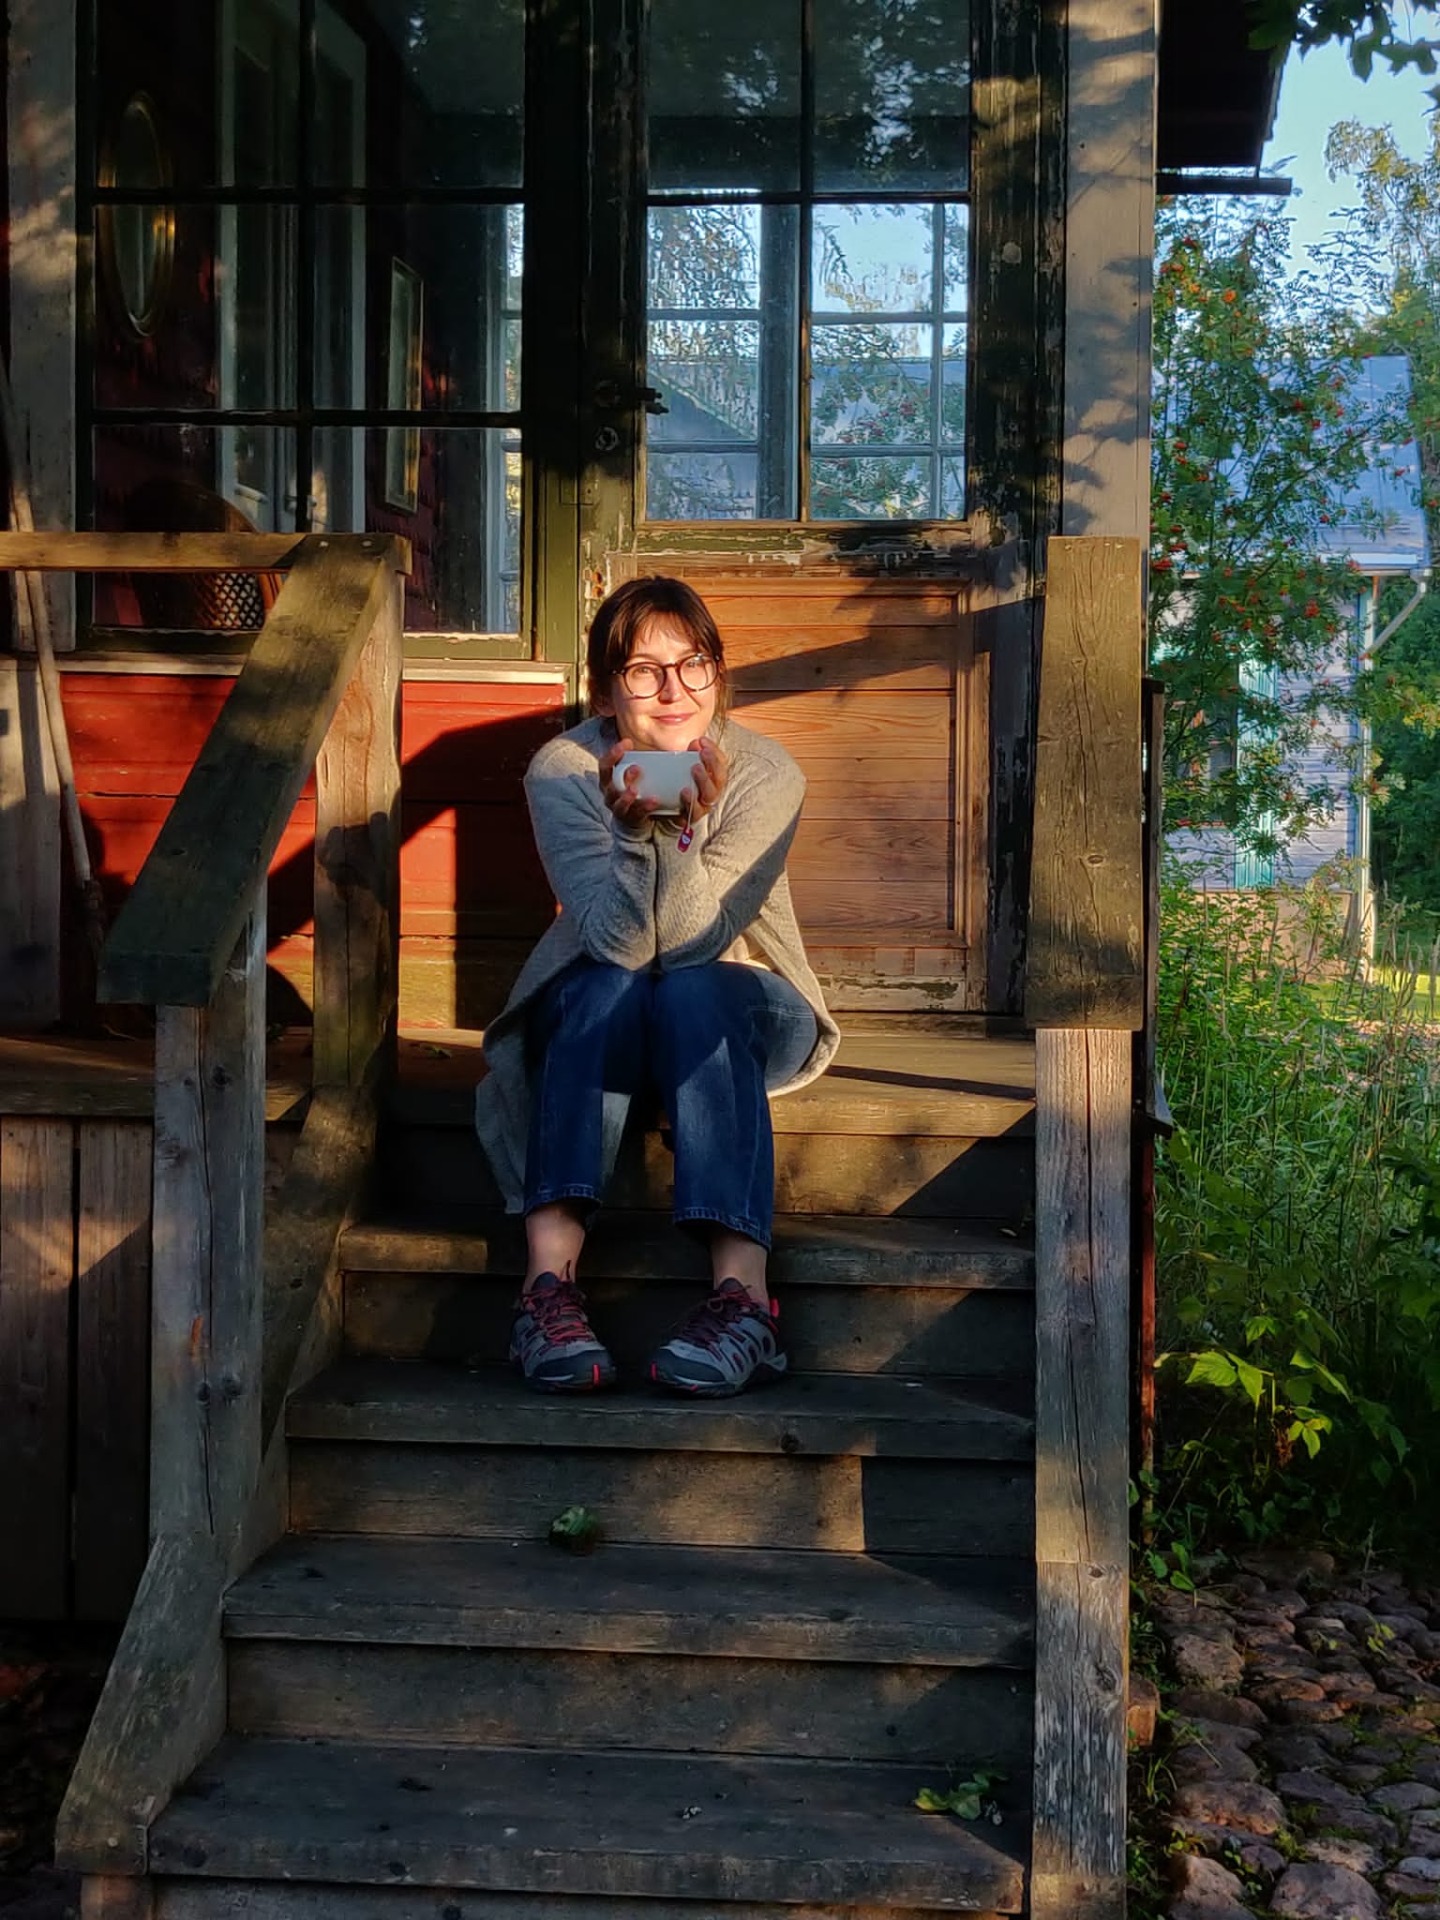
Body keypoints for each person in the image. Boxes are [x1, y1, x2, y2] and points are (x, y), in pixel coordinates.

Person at [474, 574, 840, 1397]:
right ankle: (547, 1291)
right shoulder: (564, 771)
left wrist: (672, 832)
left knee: (692, 989)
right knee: (601, 986)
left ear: (718, 672)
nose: (674, 691)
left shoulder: (766, 774)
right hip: (606, 1002)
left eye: (693, 664)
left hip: (736, 998)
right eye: (644, 670)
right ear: (606, 689)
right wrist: (635, 834)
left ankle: (744, 1304)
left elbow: (697, 947)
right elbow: (616, 945)